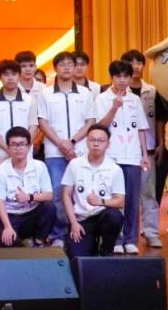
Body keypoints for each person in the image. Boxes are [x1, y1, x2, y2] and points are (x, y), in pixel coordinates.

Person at [38, 52, 97, 246]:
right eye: (62, 64)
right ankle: (58, 235)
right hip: (54, 152)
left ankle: (82, 233)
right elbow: (43, 122)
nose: (66, 67)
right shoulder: (45, 93)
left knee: (81, 192)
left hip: (81, 151)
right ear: (55, 68)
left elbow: (91, 121)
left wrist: (72, 141)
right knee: (57, 193)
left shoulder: (85, 93)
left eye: (70, 64)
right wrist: (61, 143)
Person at [96, 59, 149, 255]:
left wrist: (145, 154)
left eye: (126, 76)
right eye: (118, 76)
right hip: (111, 156)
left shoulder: (135, 99)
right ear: (112, 77)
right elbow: (100, 126)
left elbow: (141, 128)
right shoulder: (102, 98)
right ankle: (115, 239)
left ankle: (130, 239)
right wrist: (114, 107)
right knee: (113, 199)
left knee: (132, 200)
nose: (122, 80)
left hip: (133, 156)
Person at [0, 59, 40, 230]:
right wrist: (8, 148)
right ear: (0, 77)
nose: (10, 78)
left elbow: (34, 126)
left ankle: (25, 233)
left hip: (25, 158)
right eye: (6, 74)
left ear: (19, 76)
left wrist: (22, 148)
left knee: (26, 194)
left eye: (14, 74)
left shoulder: (29, 100)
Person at [121, 49, 163, 249]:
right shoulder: (117, 91)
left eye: (139, 62)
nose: (136, 66)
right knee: (123, 194)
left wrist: (161, 143)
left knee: (148, 192)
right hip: (124, 151)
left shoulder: (152, 91)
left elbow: (160, 119)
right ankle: (122, 233)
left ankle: (151, 232)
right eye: (131, 63)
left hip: (149, 149)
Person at [62, 125, 125, 258]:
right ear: (86, 142)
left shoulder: (115, 169)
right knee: (77, 258)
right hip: (81, 219)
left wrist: (101, 201)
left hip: (103, 216)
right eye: (92, 140)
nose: (96, 143)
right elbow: (66, 195)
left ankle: (106, 251)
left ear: (108, 144)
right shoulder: (74, 164)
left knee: (115, 216)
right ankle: (91, 245)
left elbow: (120, 201)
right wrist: (73, 223)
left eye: (100, 140)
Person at [0, 127, 55, 248]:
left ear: (29, 146)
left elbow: (49, 195)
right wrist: (7, 227)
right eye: (14, 144)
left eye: (22, 144)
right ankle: (22, 242)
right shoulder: (0, 170)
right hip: (11, 215)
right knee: (7, 243)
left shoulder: (39, 166)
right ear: (8, 147)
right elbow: (0, 203)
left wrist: (29, 197)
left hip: (32, 213)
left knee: (49, 207)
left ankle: (38, 242)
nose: (18, 148)